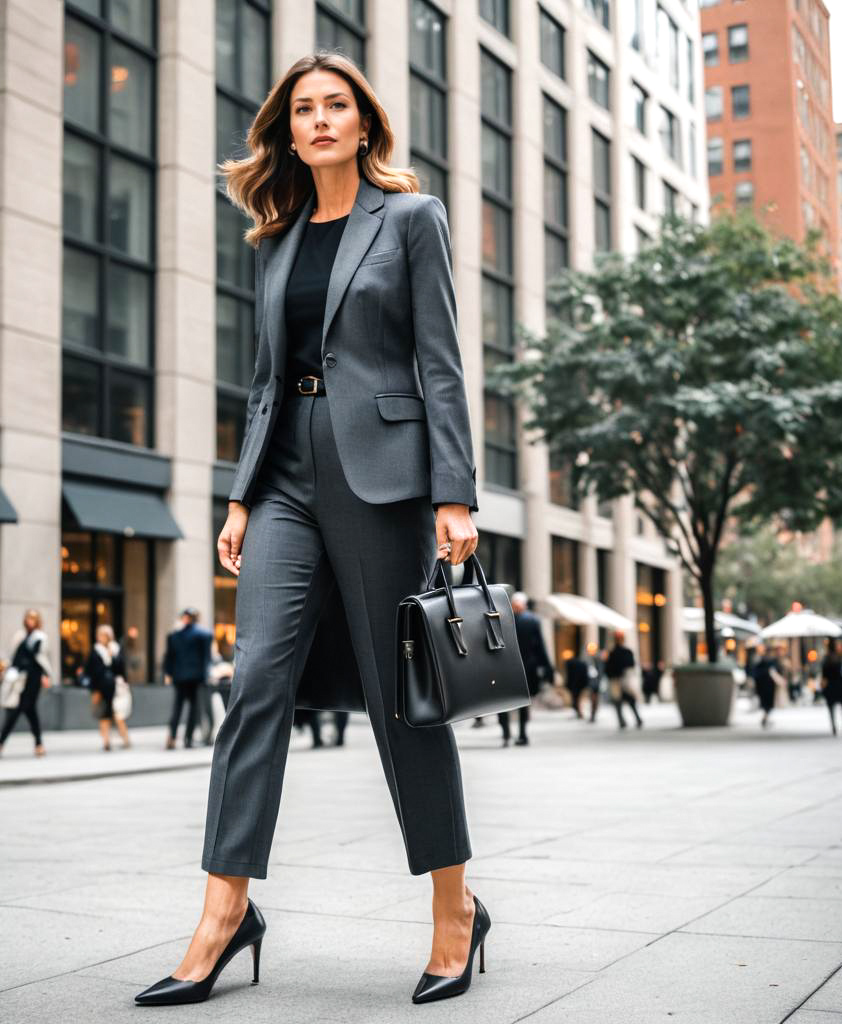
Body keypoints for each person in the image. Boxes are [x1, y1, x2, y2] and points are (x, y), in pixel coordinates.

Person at [135, 54, 488, 1009]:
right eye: (305, 109)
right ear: (287, 131)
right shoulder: (276, 239)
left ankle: (455, 914)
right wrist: (243, 493)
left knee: (401, 699)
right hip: (285, 476)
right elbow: (262, 381)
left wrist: (453, 490)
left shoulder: (412, 220)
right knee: (253, 685)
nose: (321, 120)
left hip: (383, 482)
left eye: (337, 106)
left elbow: (441, 361)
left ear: (364, 125)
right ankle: (222, 916)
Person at [0, 609, 53, 758]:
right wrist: (4, 668)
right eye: (28, 618)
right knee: (30, 710)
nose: (30, 621)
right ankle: (39, 744)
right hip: (20, 678)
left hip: (33, 678)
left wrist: (45, 675)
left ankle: (0, 743)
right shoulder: (20, 636)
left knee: (18, 708)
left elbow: (42, 659)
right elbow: (14, 656)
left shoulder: (41, 637)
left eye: (33, 619)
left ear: (38, 621)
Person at [497, 592, 553, 747]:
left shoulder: (502, 619)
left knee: (503, 702)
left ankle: (507, 733)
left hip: (505, 667)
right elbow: (540, 646)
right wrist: (548, 668)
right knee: (522, 701)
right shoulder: (533, 620)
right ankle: (521, 733)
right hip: (526, 667)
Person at [162, 608, 214, 750]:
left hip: (179, 677)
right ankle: (188, 739)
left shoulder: (174, 636)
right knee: (193, 709)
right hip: (196, 678)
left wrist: (168, 674)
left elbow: (168, 658)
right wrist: (206, 676)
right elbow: (206, 659)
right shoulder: (204, 635)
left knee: (177, 707)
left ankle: (172, 737)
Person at [85, 625, 132, 751]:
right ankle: (106, 742)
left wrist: (113, 657)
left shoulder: (116, 649)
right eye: (100, 635)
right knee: (104, 715)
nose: (102, 638)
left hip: (116, 688)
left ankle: (126, 739)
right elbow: (90, 671)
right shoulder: (95, 651)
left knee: (119, 715)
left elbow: (121, 670)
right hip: (101, 688)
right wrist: (94, 690)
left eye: (105, 635)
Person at [605, 630, 643, 729]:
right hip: (621, 679)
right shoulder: (624, 652)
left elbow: (608, 668)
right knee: (627, 700)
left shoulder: (614, 652)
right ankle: (630, 719)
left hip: (620, 679)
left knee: (621, 701)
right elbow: (631, 665)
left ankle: (625, 720)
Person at [821, 638, 842, 736]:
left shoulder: (826, 658)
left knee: (831, 707)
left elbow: (824, 674)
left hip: (831, 686)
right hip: (841, 685)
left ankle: (834, 727)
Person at [751, 644, 785, 729]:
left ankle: (765, 718)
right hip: (768, 686)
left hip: (765, 686)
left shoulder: (763, 661)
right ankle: (765, 718)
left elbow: (755, 673)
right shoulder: (770, 662)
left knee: (767, 704)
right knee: (768, 704)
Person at [564, 643, 591, 719]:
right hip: (581, 683)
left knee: (576, 698)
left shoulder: (569, 663)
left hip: (577, 684)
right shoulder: (582, 663)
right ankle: (579, 712)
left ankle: (579, 712)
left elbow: (570, 675)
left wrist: (569, 684)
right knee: (577, 698)